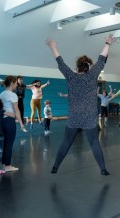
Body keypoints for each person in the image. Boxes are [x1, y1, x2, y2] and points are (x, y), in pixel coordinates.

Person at [45, 34, 114, 176]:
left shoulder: (71, 76)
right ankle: (102, 169)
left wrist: (53, 46)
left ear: (77, 68)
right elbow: (101, 59)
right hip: (89, 115)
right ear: (88, 68)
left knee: (66, 142)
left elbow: (60, 62)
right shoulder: (92, 75)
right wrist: (107, 43)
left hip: (74, 116)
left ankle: (55, 166)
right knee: (94, 142)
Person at [0, 76, 27, 172]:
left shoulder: (2, 94)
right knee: (9, 144)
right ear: (12, 83)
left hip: (2, 121)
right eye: (15, 83)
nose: (16, 85)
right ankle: (7, 166)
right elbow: (16, 110)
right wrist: (21, 124)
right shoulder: (12, 95)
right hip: (9, 122)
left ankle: (3, 164)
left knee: (5, 144)